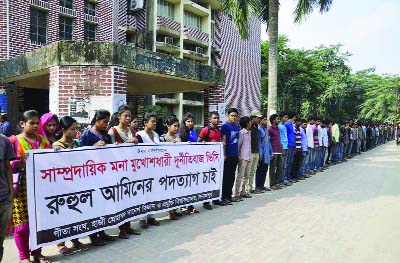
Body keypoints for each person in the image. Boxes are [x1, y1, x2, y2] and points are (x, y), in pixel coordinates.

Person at [9, 110, 52, 263]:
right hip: (20, 189)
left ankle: (37, 252)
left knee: (39, 222)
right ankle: (23, 256)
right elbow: (6, 165)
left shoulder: (44, 141)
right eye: (31, 123)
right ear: (22, 124)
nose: (35, 126)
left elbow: (51, 162)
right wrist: (17, 163)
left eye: (37, 123)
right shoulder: (13, 141)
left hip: (41, 187)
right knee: (22, 224)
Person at [52, 117, 89, 255]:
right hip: (63, 187)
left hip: (77, 185)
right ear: (63, 130)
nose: (75, 131)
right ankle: (60, 243)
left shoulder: (77, 144)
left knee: (76, 214)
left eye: (76, 128)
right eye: (72, 129)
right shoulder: (57, 146)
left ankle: (75, 239)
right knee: (64, 215)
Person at [80, 110, 116, 246]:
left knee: (102, 206)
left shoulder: (106, 135)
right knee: (93, 207)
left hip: (103, 175)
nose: (107, 125)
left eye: (108, 122)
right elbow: (79, 155)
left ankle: (102, 232)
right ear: (97, 120)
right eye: (105, 122)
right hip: (90, 176)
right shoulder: (87, 135)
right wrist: (93, 147)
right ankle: (93, 235)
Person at [108, 106, 141, 239]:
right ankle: (121, 229)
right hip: (118, 171)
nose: (128, 118)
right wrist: (128, 142)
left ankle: (128, 226)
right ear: (119, 117)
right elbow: (110, 152)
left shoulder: (132, 131)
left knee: (129, 199)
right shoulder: (112, 131)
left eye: (129, 116)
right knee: (120, 200)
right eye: (125, 116)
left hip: (130, 169)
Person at [136, 112, 161, 228]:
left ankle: (151, 216)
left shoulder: (156, 135)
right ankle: (142, 218)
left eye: (156, 121)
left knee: (153, 193)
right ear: (145, 123)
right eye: (152, 121)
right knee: (143, 194)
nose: (155, 123)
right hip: (143, 169)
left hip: (154, 168)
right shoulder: (139, 135)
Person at [160, 115, 184, 220]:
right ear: (168, 126)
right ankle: (170, 212)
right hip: (167, 169)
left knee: (176, 190)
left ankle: (174, 209)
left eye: (178, 126)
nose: (176, 128)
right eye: (174, 126)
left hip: (177, 167)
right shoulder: (163, 138)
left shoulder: (178, 137)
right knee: (169, 190)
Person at [198, 111, 221, 210]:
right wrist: (208, 143)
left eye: (217, 118)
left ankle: (215, 198)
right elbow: (198, 143)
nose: (216, 120)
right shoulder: (205, 130)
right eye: (214, 118)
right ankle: (206, 202)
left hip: (215, 160)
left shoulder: (219, 130)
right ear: (210, 119)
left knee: (214, 179)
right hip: (206, 160)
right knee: (206, 181)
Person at [178, 112, 199, 214]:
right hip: (183, 163)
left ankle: (191, 205)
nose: (190, 123)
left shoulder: (194, 132)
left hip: (193, 162)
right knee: (183, 185)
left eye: (191, 121)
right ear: (184, 122)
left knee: (191, 185)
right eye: (188, 121)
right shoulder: (180, 133)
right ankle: (182, 206)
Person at [219, 108, 239, 205]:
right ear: (228, 116)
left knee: (232, 176)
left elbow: (237, 141)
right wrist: (224, 154)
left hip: (235, 155)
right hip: (228, 155)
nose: (234, 117)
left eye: (235, 116)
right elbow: (224, 141)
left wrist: (238, 154)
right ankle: (223, 197)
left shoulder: (236, 126)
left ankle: (229, 195)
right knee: (226, 177)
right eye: (232, 115)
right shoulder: (225, 126)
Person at [0, 133, 15, 262]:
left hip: (4, 198)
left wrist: (11, 191)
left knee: (0, 240)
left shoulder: (4, 140)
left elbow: (7, 168)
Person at [233, 116, 252, 201]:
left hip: (248, 156)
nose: (251, 123)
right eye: (250, 122)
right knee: (240, 176)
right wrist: (238, 156)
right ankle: (236, 194)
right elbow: (238, 145)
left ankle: (243, 192)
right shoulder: (241, 133)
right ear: (247, 123)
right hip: (243, 157)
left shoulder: (249, 132)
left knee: (246, 176)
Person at [255, 116, 273, 192]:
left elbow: (268, 142)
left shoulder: (266, 130)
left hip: (267, 154)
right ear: (260, 121)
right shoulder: (258, 130)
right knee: (260, 170)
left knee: (265, 170)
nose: (266, 121)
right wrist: (260, 154)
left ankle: (262, 185)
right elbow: (259, 143)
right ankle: (258, 186)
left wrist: (271, 152)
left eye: (266, 120)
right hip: (262, 154)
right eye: (264, 120)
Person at [247, 110, 262, 194]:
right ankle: (246, 188)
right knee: (248, 171)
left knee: (253, 170)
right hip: (250, 151)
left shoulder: (256, 126)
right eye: (257, 117)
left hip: (256, 151)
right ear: (253, 117)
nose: (258, 119)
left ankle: (250, 187)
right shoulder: (248, 126)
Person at [268, 114, 283, 190]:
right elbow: (269, 141)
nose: (279, 120)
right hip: (273, 151)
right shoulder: (270, 130)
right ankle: (272, 184)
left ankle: (276, 182)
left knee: (280, 167)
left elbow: (279, 139)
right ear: (273, 120)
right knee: (272, 168)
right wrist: (270, 152)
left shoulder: (278, 129)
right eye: (277, 119)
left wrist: (282, 149)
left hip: (279, 151)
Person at [278, 112, 290, 186]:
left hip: (286, 146)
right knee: (281, 165)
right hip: (282, 147)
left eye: (287, 117)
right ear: (281, 118)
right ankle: (280, 180)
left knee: (285, 164)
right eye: (285, 117)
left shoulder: (284, 126)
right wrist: (282, 149)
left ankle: (283, 179)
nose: (286, 119)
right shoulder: (279, 126)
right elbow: (279, 138)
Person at [285, 112, 296, 183]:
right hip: (288, 144)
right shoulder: (287, 124)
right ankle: (285, 177)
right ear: (293, 117)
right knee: (288, 161)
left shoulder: (292, 124)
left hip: (292, 144)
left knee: (291, 161)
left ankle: (289, 177)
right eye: (295, 117)